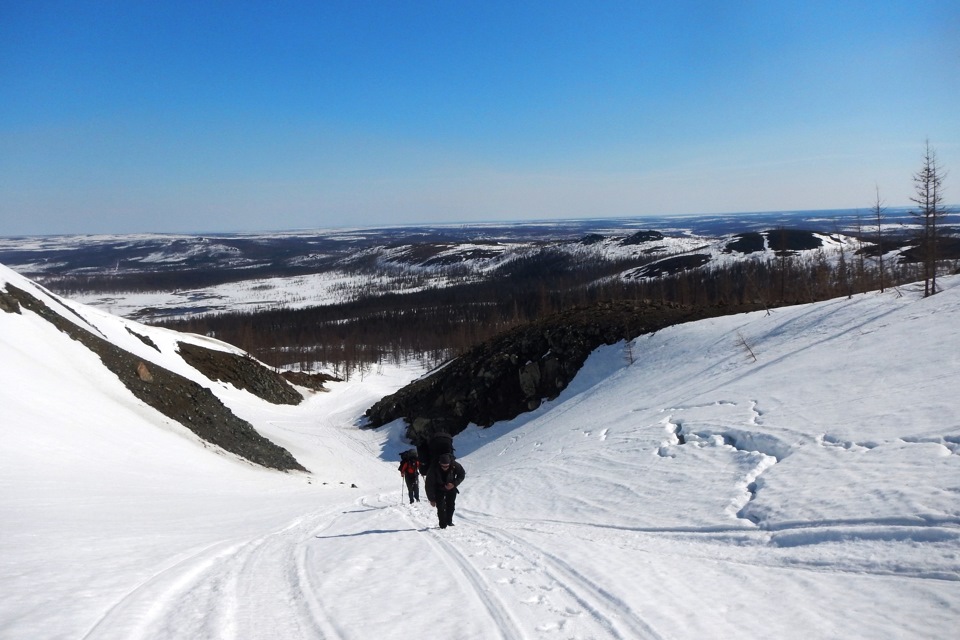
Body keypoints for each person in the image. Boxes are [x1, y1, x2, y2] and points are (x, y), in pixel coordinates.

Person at [424, 453, 465, 529]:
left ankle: (449, 521)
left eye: (447, 466)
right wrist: (431, 499)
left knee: (451, 505)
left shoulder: (454, 465)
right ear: (440, 463)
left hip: (451, 487)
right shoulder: (433, 468)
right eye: (443, 466)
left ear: (450, 463)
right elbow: (429, 485)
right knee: (441, 507)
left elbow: (462, 474)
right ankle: (443, 525)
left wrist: (454, 484)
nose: (445, 468)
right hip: (439, 488)